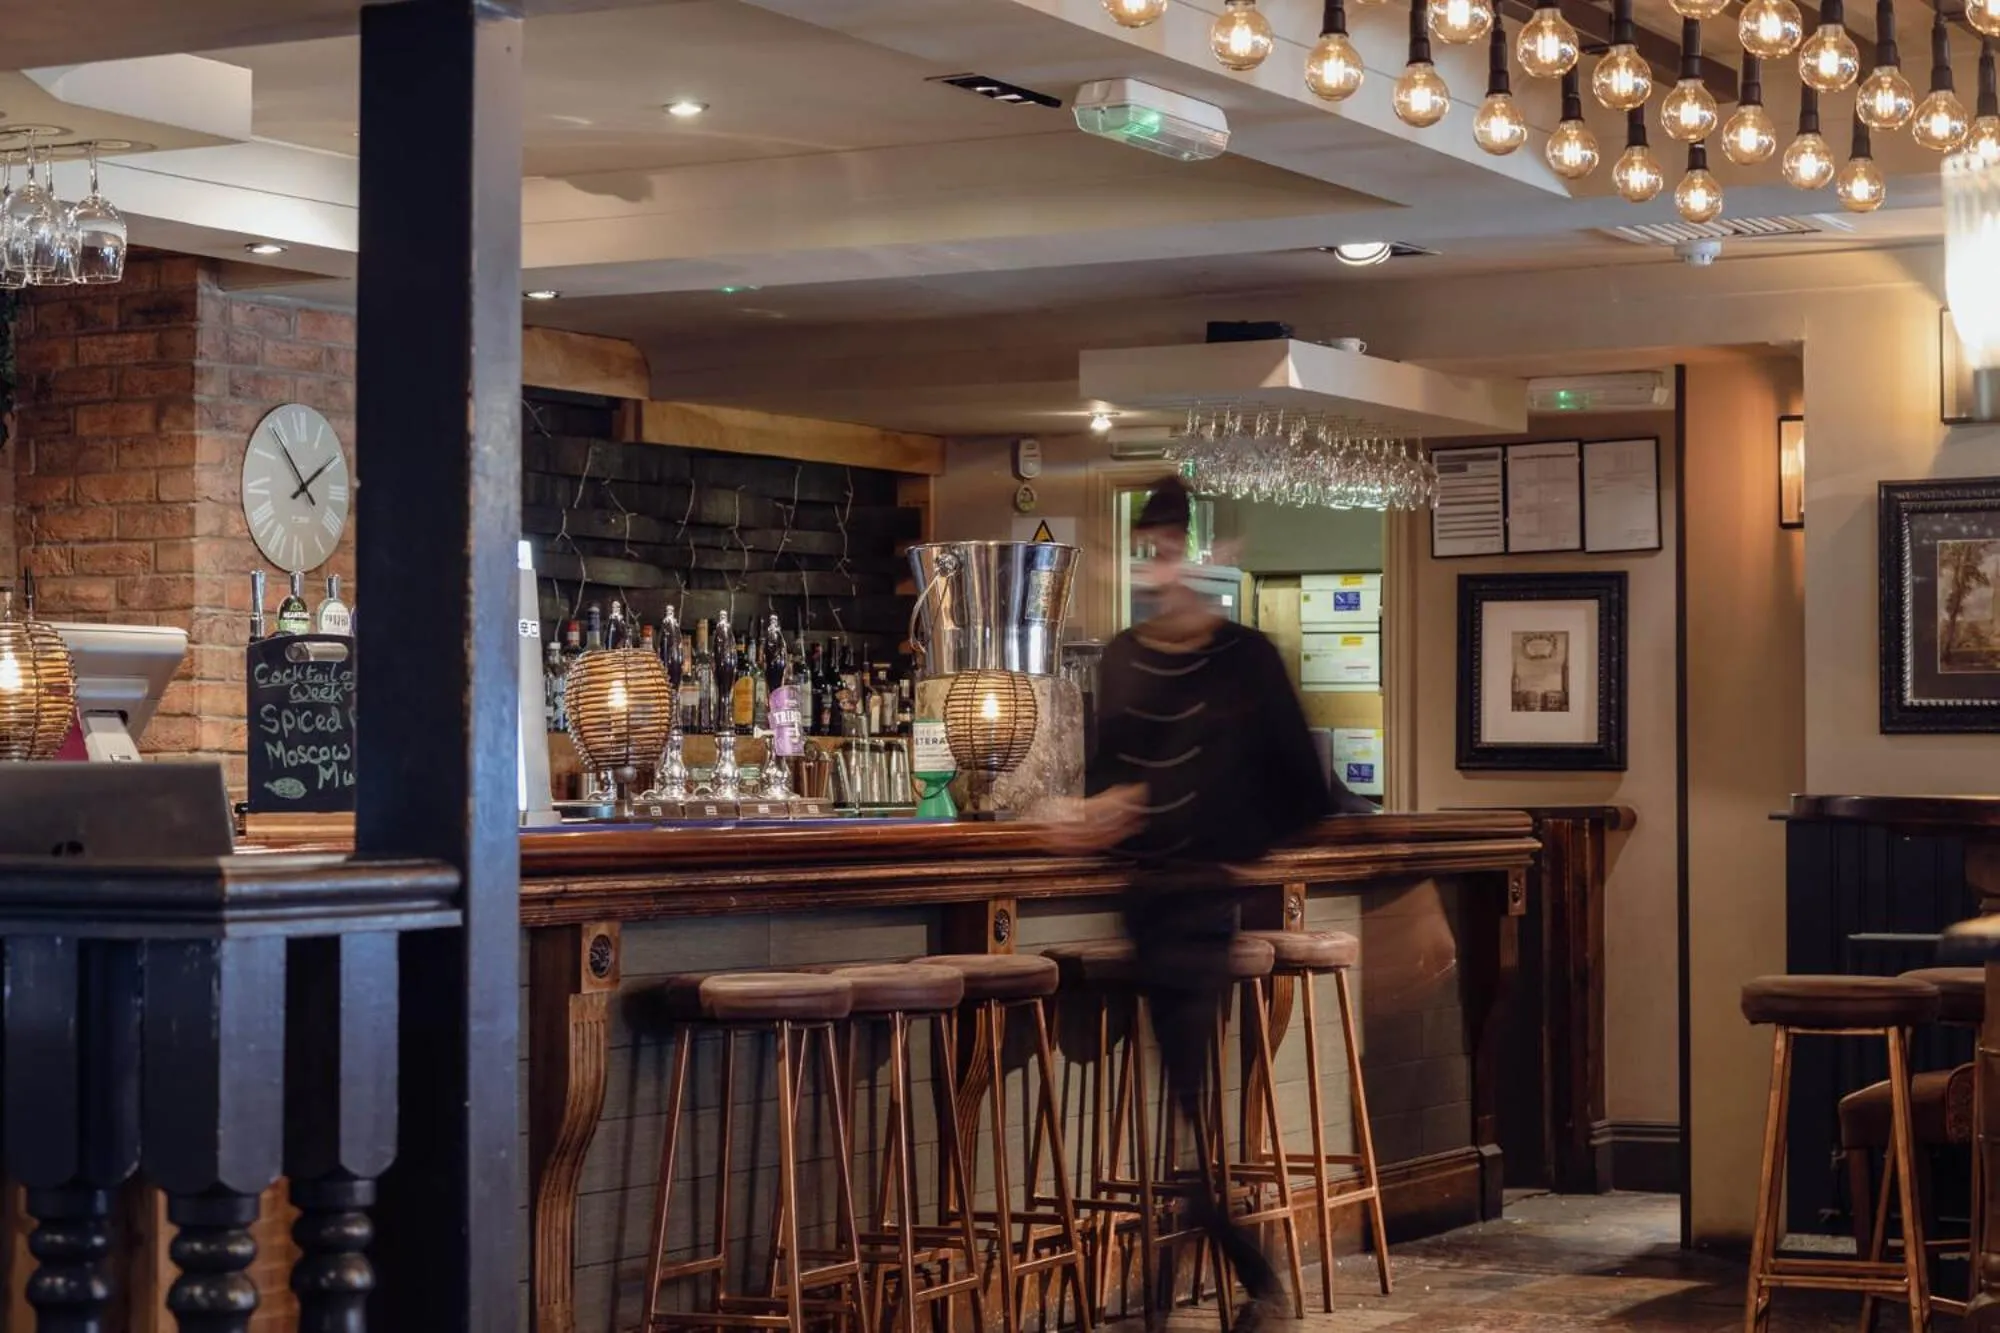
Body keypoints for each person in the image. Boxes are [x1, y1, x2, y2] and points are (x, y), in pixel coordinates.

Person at [1042, 474, 1359, 1330]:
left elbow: (1307, 793)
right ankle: (1220, 1263)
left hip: (1207, 900)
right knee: (1187, 1101)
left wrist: (1211, 829)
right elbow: (1110, 779)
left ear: (1208, 555)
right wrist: (1093, 816)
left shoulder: (1247, 658)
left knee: (1188, 1097)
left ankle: (1221, 1266)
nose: (1159, 566)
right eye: (1147, 551)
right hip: (1143, 901)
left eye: (1171, 548)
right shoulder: (1123, 657)